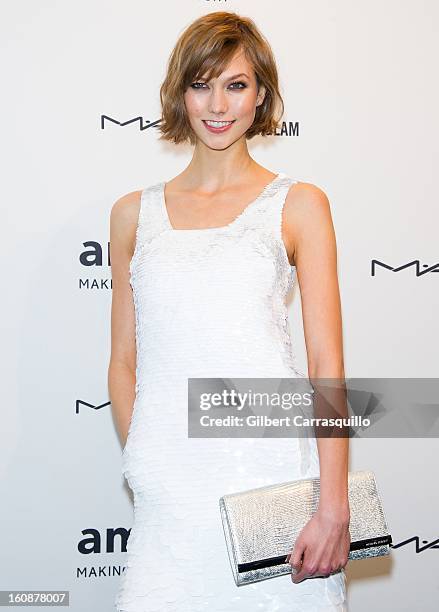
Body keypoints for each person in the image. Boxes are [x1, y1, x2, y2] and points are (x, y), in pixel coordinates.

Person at [108, 10, 350, 612]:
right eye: (201, 84)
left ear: (261, 93)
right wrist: (146, 460)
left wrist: (333, 505)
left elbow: (326, 365)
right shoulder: (132, 214)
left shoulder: (299, 204)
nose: (218, 104)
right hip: (168, 494)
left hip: (271, 475)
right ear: (179, 93)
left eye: (235, 84)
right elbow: (122, 360)